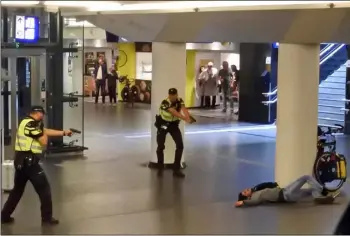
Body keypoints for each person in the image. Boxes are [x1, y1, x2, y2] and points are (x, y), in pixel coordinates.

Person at [1, 106, 73, 225]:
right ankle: (47, 218)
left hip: (21, 161)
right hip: (30, 163)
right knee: (44, 189)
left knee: (17, 191)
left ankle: (4, 215)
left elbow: (45, 130)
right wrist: (41, 129)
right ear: (37, 113)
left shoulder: (26, 122)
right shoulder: (32, 124)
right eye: (42, 114)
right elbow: (43, 141)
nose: (43, 116)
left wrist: (64, 132)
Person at [155, 88, 194, 178]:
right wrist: (185, 119)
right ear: (168, 95)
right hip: (163, 125)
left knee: (180, 145)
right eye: (170, 95)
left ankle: (176, 169)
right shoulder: (165, 102)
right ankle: (160, 167)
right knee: (160, 146)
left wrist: (188, 117)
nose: (172, 97)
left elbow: (184, 109)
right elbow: (174, 112)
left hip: (173, 125)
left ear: (176, 95)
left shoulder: (180, 100)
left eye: (173, 95)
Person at [235, 175, 338, 207]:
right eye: (244, 192)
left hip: (286, 191)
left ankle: (318, 197)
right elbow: (255, 202)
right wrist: (243, 202)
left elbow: (262, 185)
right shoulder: (255, 197)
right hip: (286, 194)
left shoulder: (256, 191)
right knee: (306, 177)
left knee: (311, 190)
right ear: (247, 197)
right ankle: (323, 193)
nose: (246, 190)